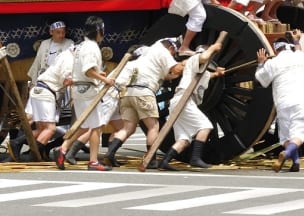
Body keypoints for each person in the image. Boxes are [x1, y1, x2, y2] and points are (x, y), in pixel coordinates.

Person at [102, 38, 182, 167]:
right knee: (153, 126)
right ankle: (151, 158)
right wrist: (191, 62)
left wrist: (173, 75)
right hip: (144, 93)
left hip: (128, 93)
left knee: (128, 128)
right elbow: (176, 69)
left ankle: (110, 153)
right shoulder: (163, 52)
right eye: (173, 53)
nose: (173, 56)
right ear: (171, 48)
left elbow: (166, 75)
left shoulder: (144, 57)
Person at [55, 16, 114, 171]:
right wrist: (104, 79)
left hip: (80, 90)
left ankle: (63, 149)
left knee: (84, 126)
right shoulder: (91, 47)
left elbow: (88, 69)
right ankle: (93, 161)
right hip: (88, 91)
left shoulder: (82, 46)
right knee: (96, 126)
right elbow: (88, 71)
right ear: (99, 31)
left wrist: (100, 74)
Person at [158, 42, 225, 170]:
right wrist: (213, 47)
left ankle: (165, 161)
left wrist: (217, 73)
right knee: (206, 126)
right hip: (184, 100)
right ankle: (195, 158)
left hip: (181, 102)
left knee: (184, 139)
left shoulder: (201, 71)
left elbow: (208, 75)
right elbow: (203, 58)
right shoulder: (195, 59)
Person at [8, 42, 75, 161]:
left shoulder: (64, 55)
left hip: (40, 90)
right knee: (50, 129)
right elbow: (66, 81)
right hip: (46, 92)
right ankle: (33, 155)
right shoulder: (69, 59)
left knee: (41, 129)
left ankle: (17, 143)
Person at [255, 30, 304, 173]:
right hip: (300, 101)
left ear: (276, 49)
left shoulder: (273, 62)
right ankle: (288, 154)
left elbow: (261, 79)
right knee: (298, 134)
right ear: (288, 47)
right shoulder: (299, 58)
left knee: (286, 135)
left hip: (283, 102)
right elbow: (299, 49)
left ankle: (294, 161)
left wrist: (261, 63)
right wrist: (297, 40)